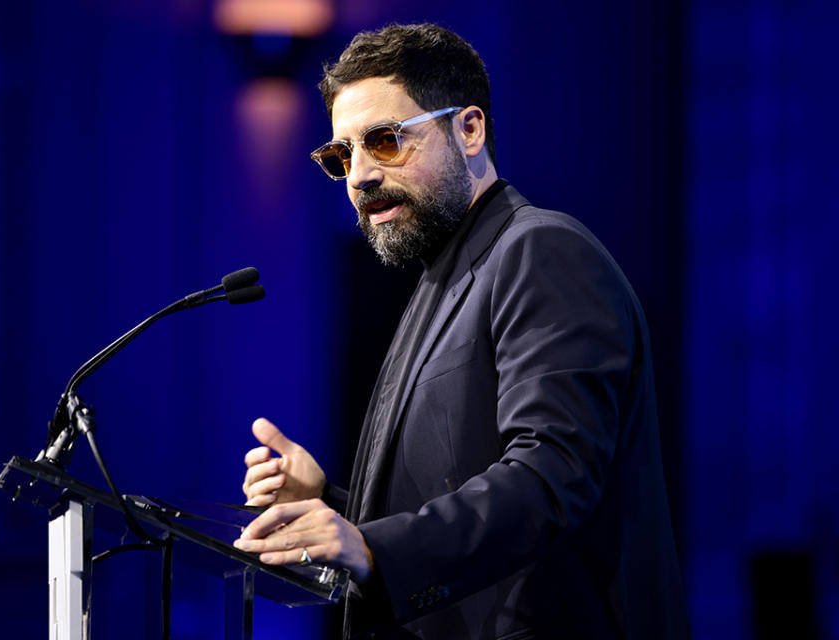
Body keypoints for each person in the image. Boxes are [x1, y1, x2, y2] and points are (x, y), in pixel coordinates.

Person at [232, 23, 691, 640]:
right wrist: (335, 507)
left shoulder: (541, 250)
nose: (359, 176)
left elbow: (550, 474)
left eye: (386, 141)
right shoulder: (441, 280)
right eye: (343, 156)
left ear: (468, 129)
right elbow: (451, 493)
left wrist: (371, 547)